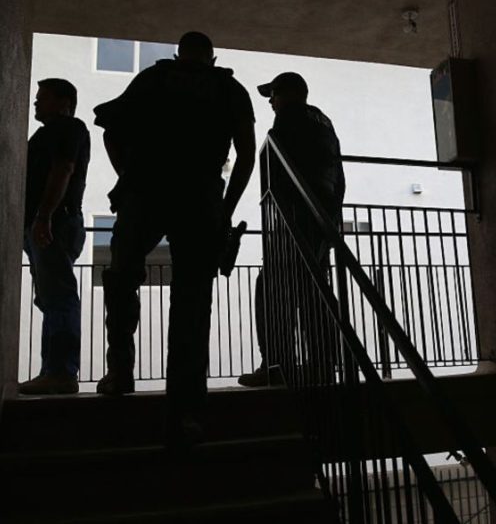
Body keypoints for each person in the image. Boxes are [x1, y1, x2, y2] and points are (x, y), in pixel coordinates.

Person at [93, 32, 256, 443]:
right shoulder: (229, 88)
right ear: (213, 57)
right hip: (199, 199)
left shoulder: (153, 79)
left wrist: (126, 179)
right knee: (193, 301)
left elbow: (110, 129)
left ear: (178, 53)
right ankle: (186, 410)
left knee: (122, 278)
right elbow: (247, 155)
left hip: (145, 192)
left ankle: (120, 373)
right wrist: (226, 209)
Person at [239, 72, 345, 387]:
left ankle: (277, 364)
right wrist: (331, 221)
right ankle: (322, 364)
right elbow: (338, 176)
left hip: (295, 221)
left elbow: (280, 175)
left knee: (271, 288)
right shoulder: (324, 122)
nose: (271, 101)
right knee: (314, 291)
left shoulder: (289, 119)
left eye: (273, 94)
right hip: (321, 220)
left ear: (287, 93)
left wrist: (279, 216)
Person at [19, 78, 90, 395]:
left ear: (64, 102)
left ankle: (60, 372)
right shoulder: (46, 134)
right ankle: (54, 371)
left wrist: (44, 216)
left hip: (55, 223)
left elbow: (64, 169)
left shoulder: (69, 128)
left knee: (58, 296)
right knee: (51, 297)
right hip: (48, 223)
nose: (36, 103)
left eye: (43, 98)